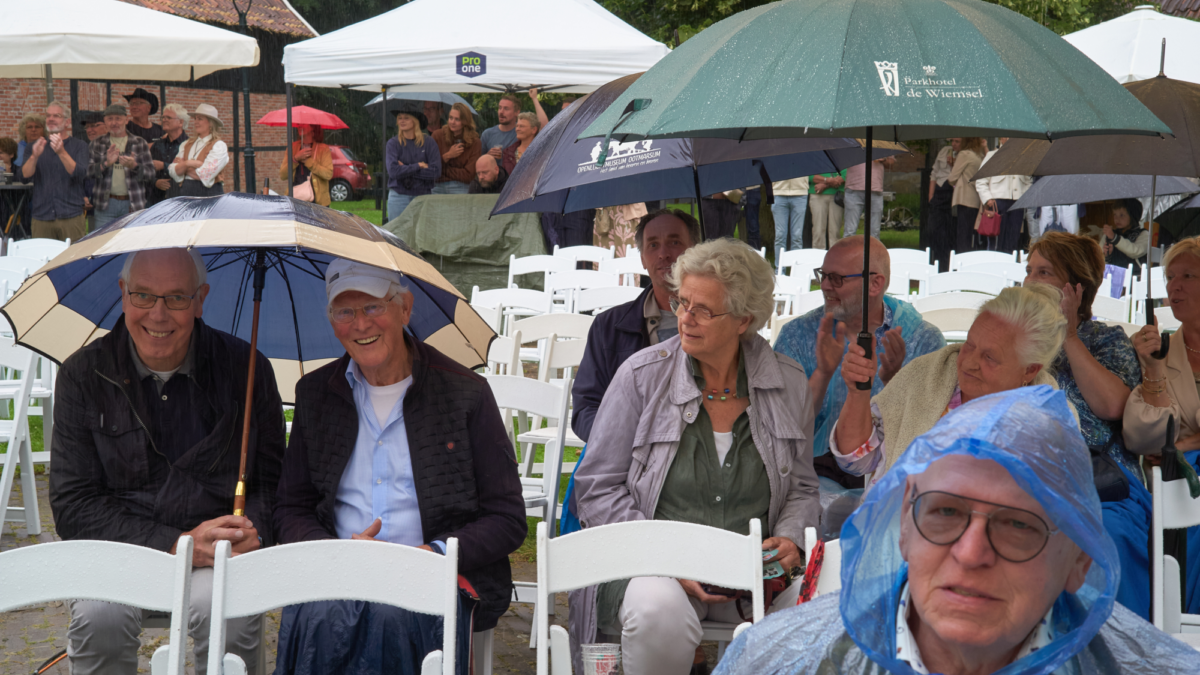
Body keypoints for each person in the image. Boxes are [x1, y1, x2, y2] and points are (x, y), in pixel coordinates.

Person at [714, 386, 1200, 675]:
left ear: (1079, 559)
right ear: (904, 527)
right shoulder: (772, 661)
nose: (970, 553)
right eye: (945, 512)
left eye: (1018, 525)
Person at [571, 238, 822, 675]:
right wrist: (666, 559)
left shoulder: (788, 381)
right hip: (651, 568)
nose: (684, 318)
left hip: (753, 575)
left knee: (826, 604)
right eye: (682, 302)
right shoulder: (641, 376)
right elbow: (597, 487)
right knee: (657, 612)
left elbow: (802, 486)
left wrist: (790, 538)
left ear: (744, 319)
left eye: (703, 310)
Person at [272, 258, 527, 674]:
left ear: (405, 309)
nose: (360, 324)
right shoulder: (316, 394)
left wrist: (434, 554)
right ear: (332, 322)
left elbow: (507, 517)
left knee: (390, 616)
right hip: (337, 570)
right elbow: (290, 507)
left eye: (373, 307)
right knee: (320, 615)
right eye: (345, 311)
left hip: (435, 572)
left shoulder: (465, 393)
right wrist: (334, 554)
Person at [50, 247, 285, 674]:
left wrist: (251, 532)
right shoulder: (83, 375)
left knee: (226, 614)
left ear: (200, 299)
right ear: (123, 294)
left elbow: (271, 484)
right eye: (143, 295)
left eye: (176, 297)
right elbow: (73, 505)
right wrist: (177, 544)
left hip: (217, 555)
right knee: (100, 619)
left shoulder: (247, 369)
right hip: (121, 550)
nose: (158, 315)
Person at [1022, 232, 1150, 619]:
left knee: (1102, 535)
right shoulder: (1018, 342)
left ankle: (1114, 642)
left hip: (1103, 483)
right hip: (1033, 480)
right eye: (1029, 270)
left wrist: (1069, 335)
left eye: (1044, 272)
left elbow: (1112, 405)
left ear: (1076, 288)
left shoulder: (1106, 340)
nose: (1030, 281)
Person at [832, 284, 1068, 492]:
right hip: (892, 523)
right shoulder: (925, 376)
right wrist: (858, 391)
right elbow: (856, 460)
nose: (969, 362)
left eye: (990, 357)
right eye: (969, 344)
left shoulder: (1050, 425)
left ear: (1030, 370)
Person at [774, 237, 945, 492]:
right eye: (823, 275)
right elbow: (781, 428)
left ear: (876, 283)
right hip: (809, 478)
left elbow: (932, 433)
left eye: (836, 278)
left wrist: (895, 383)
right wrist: (822, 374)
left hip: (894, 480)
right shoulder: (797, 335)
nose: (824, 286)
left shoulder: (922, 339)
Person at [571, 209, 702, 443]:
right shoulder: (609, 327)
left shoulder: (721, 323)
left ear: (695, 251)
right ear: (642, 258)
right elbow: (586, 409)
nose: (663, 254)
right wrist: (626, 442)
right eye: (653, 245)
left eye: (674, 242)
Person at [1124, 235, 1200, 616]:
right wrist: (1152, 368)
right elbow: (1143, 439)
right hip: (1175, 483)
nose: (1175, 286)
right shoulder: (1159, 349)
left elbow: (1172, 443)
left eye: (1188, 276)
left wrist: (1186, 443)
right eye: (1170, 277)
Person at [20, 101, 89, 241]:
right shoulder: (33, 146)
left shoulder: (79, 145)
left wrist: (61, 152)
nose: (51, 119)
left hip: (70, 215)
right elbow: (24, 176)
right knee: (42, 255)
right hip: (42, 216)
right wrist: (34, 156)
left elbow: (80, 174)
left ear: (67, 122)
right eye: (48, 116)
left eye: (56, 115)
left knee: (73, 255)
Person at [88, 104, 155, 228]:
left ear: (126, 120)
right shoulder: (97, 143)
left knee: (131, 239)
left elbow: (151, 174)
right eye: (110, 119)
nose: (114, 123)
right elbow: (88, 172)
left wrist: (134, 166)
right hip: (105, 205)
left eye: (118, 118)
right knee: (103, 239)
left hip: (132, 203)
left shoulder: (139, 143)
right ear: (105, 122)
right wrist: (106, 164)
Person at [975, 137, 1032, 254]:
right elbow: (980, 181)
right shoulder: (992, 156)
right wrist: (988, 199)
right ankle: (994, 264)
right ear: (1002, 139)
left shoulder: (1023, 156)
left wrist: (1024, 199)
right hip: (997, 203)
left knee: (1013, 239)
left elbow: (1028, 181)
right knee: (996, 241)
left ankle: (1009, 263)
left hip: (1017, 202)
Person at [385, 109, 441, 221]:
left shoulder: (429, 143)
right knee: (397, 231)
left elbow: (436, 172)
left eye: (406, 118)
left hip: (422, 196)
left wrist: (405, 168)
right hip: (398, 196)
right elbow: (393, 172)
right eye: (399, 118)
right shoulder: (393, 143)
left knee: (421, 231)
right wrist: (418, 166)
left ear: (415, 121)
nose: (402, 121)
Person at [168, 104, 228, 197]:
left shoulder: (219, 146)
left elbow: (205, 175)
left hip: (209, 195)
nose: (196, 122)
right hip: (186, 194)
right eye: (195, 118)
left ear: (211, 123)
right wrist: (188, 163)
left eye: (200, 119)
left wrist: (183, 168)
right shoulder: (186, 144)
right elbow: (172, 170)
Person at [431, 102, 481, 195]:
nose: (452, 122)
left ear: (465, 121)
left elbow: (468, 175)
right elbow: (431, 167)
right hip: (437, 184)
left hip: (460, 185)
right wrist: (447, 156)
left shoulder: (475, 142)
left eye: (457, 119)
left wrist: (442, 170)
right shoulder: (437, 135)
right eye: (451, 118)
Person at [280, 124, 333, 207]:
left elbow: (328, 174)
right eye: (299, 124)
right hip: (295, 201)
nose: (300, 126)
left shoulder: (323, 149)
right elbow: (283, 175)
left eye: (304, 124)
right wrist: (295, 159)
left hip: (318, 203)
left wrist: (308, 162)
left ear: (313, 128)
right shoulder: (292, 148)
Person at [843, 155, 896, 239]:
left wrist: (884, 159)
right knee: (850, 231)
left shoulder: (881, 146)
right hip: (853, 188)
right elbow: (841, 159)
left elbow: (891, 163)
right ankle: (849, 248)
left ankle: (872, 248)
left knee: (874, 232)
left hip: (875, 189)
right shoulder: (851, 145)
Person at [949, 137, 986, 254]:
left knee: (962, 235)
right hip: (975, 200)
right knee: (969, 234)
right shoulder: (979, 157)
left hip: (964, 198)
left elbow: (952, 178)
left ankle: (961, 259)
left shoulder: (964, 154)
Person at [150, 103, 189, 204]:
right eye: (163, 117)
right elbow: (144, 170)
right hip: (156, 201)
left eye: (168, 117)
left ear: (181, 122)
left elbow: (191, 172)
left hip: (180, 200)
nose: (164, 120)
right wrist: (155, 182)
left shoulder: (189, 145)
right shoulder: (157, 145)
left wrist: (164, 166)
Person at [928, 139, 957, 271]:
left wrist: (953, 165)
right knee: (934, 230)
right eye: (953, 141)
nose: (954, 144)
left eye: (957, 141)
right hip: (939, 193)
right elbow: (934, 174)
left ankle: (946, 266)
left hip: (952, 192)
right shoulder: (944, 151)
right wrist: (931, 196)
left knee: (948, 232)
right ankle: (935, 263)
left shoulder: (965, 154)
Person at [1103, 198, 1150, 276]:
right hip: (1113, 276)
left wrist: (1115, 238)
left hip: (1135, 277)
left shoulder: (1143, 234)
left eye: (1121, 215)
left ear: (1132, 216)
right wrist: (1107, 255)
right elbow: (1099, 257)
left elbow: (1135, 251)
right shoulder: (1110, 234)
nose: (1116, 219)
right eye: (1114, 214)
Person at [772, 177, 812, 252]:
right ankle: (779, 260)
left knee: (797, 236)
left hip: (800, 192)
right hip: (778, 192)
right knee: (780, 235)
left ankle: (795, 260)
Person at [808, 171, 845, 250]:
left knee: (835, 229)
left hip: (837, 196)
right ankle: (818, 254)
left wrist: (825, 184)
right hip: (817, 194)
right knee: (818, 229)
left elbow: (846, 174)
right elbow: (809, 176)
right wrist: (829, 180)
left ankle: (835, 253)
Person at [481, 94, 519, 162]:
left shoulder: (521, 132)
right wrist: (487, 156)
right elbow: (478, 162)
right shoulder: (487, 134)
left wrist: (534, 99)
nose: (501, 112)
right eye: (500, 108)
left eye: (506, 109)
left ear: (517, 112)